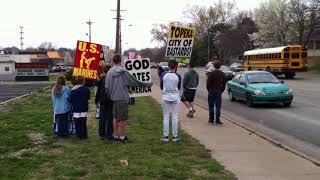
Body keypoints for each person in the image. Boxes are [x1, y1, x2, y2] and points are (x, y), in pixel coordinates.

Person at [105, 55, 152, 143]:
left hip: (114, 98)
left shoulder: (109, 72)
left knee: (115, 118)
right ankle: (122, 138)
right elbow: (133, 81)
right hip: (122, 98)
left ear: (113, 61)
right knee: (122, 119)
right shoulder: (123, 71)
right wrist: (147, 84)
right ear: (120, 61)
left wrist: (111, 95)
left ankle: (115, 136)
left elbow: (107, 87)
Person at [160, 60, 181, 142]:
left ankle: (165, 136)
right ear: (175, 66)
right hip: (175, 97)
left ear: (168, 66)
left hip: (166, 97)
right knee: (175, 116)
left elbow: (161, 86)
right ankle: (175, 136)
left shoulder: (163, 75)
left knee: (166, 117)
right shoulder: (178, 76)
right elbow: (179, 87)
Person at [95, 65, 113, 140]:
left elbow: (99, 90)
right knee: (109, 117)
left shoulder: (102, 79)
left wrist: (96, 99)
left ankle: (101, 133)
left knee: (102, 117)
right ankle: (108, 134)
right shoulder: (112, 79)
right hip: (110, 99)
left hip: (102, 100)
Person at [206, 60, 227, 125]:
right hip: (218, 91)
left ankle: (211, 120)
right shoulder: (222, 74)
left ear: (214, 66)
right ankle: (217, 120)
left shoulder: (211, 74)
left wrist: (209, 90)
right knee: (218, 106)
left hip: (211, 91)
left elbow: (208, 84)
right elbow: (224, 83)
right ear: (219, 66)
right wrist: (221, 90)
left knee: (211, 106)